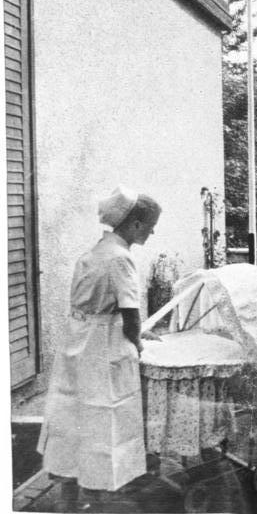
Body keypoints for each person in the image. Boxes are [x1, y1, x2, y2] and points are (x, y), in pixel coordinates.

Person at [37, 186, 162, 512]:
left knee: (72, 416)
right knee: (104, 419)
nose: (152, 231)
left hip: (76, 341)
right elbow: (131, 315)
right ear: (135, 225)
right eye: (150, 225)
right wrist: (137, 342)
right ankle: (100, 494)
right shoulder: (121, 259)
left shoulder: (92, 252)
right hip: (101, 345)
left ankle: (70, 499)